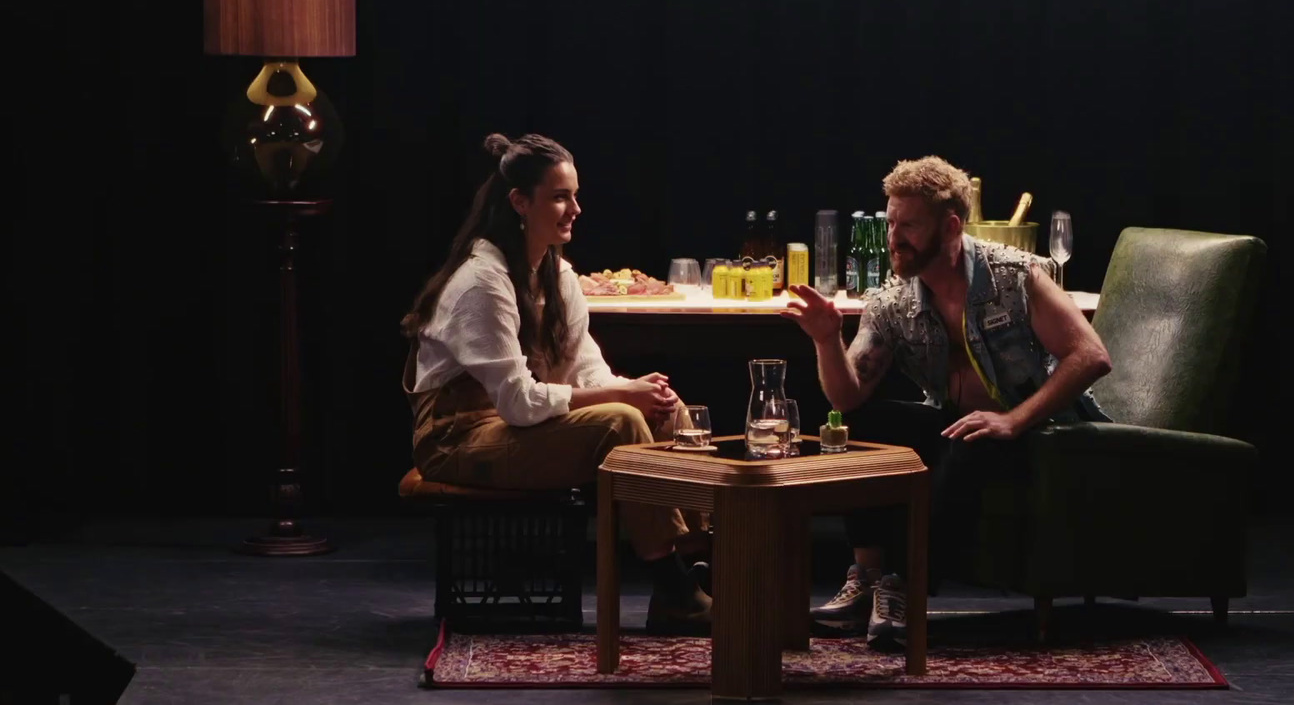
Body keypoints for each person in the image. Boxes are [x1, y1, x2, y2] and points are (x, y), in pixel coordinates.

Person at [783, 157, 1114, 648]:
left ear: (952, 226)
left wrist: (1013, 420)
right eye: (891, 222)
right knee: (853, 424)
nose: (894, 236)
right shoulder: (893, 300)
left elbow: (1090, 355)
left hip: (1045, 431)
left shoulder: (1015, 277)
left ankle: (902, 589)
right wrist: (827, 340)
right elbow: (848, 395)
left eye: (909, 225)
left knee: (971, 439)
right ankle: (866, 579)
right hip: (965, 422)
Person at [401, 133, 711, 630]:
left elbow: (587, 370)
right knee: (620, 421)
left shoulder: (557, 274)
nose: (575, 209)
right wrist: (619, 395)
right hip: (457, 438)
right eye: (560, 196)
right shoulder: (483, 281)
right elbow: (520, 403)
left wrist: (639, 389)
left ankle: (697, 571)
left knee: (668, 411)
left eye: (575, 195)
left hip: (513, 427)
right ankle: (673, 588)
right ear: (520, 203)